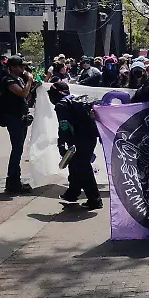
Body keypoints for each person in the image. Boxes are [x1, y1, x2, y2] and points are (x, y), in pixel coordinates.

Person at [48, 82, 103, 210]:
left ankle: (95, 199)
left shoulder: (61, 105)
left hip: (79, 140)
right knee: (75, 165)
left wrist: (62, 144)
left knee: (83, 168)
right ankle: (72, 193)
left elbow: (64, 126)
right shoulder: (76, 99)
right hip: (89, 137)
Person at [0, 56, 34, 195]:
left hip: (21, 118)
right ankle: (13, 182)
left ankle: (14, 181)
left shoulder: (18, 79)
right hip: (13, 118)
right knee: (17, 149)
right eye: (20, 66)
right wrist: (29, 79)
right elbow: (22, 93)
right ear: (12, 67)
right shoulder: (8, 80)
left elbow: (26, 95)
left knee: (18, 149)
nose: (23, 69)